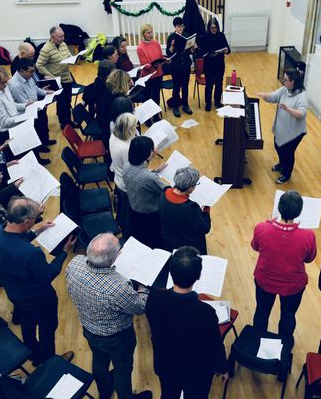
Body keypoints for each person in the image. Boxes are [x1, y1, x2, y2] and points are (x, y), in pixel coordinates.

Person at [0, 197, 76, 367]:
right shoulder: (29, 253)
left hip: (15, 294)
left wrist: (38, 230)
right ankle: (49, 363)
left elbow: (12, 241)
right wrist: (64, 252)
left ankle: (33, 353)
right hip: (39, 299)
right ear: (26, 221)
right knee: (47, 329)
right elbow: (47, 275)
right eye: (36, 218)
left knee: (27, 323)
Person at [66, 233, 152, 399]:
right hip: (117, 338)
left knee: (99, 360)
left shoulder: (74, 263)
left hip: (89, 328)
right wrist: (142, 286)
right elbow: (140, 307)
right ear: (115, 259)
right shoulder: (118, 287)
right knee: (122, 370)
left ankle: (104, 392)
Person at [146, 246, 228, 398]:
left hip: (166, 365)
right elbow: (214, 346)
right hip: (196, 373)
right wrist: (222, 368)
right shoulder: (206, 313)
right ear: (198, 277)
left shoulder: (154, 298)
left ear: (171, 272)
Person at [251, 190, 317, 338]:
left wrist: (269, 223)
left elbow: (255, 247)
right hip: (293, 286)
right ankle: (284, 344)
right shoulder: (308, 235)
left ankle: (257, 340)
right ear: (299, 212)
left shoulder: (262, 227)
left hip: (264, 281)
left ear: (279, 208)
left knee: (262, 311)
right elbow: (309, 259)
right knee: (288, 316)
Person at [257, 68, 307, 184]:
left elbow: (301, 114)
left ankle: (286, 174)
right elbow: (273, 97)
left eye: (285, 80)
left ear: (292, 82)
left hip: (295, 132)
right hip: (283, 127)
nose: (283, 82)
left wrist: (288, 109)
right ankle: (282, 163)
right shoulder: (285, 89)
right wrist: (264, 95)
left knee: (288, 152)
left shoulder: (302, 96)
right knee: (277, 145)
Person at [8, 58, 56, 164]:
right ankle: (37, 157)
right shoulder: (15, 85)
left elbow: (35, 89)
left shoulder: (28, 76)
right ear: (21, 71)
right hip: (28, 113)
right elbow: (25, 103)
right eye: (30, 71)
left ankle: (44, 142)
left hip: (37, 107)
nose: (33, 73)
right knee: (34, 134)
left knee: (42, 126)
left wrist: (45, 92)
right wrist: (37, 104)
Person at [122, 136, 166, 248]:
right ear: (148, 154)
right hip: (150, 217)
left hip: (133, 211)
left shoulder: (126, 165)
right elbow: (166, 192)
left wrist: (155, 171)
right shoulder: (149, 178)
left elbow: (140, 174)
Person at [160, 167, 210, 254]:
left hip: (167, 239)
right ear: (190, 188)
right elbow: (205, 228)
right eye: (195, 185)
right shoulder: (191, 208)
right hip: (186, 245)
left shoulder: (165, 191)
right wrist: (206, 210)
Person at [36, 26, 74, 129]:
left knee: (67, 101)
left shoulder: (63, 44)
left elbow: (68, 55)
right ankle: (64, 123)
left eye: (63, 36)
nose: (63, 39)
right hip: (57, 80)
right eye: (60, 37)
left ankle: (68, 121)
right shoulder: (46, 49)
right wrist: (50, 75)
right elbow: (39, 65)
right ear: (52, 37)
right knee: (62, 102)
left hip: (67, 77)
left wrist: (73, 58)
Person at [109, 113, 137, 238]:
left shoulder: (114, 136)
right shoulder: (125, 148)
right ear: (128, 129)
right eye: (134, 127)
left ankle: (119, 222)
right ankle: (126, 235)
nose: (136, 128)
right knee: (127, 213)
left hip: (118, 179)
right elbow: (133, 169)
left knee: (121, 208)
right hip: (125, 184)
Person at [0, 67, 25, 150]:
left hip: (16, 125)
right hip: (7, 133)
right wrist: (22, 118)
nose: (7, 84)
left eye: (7, 81)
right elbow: (3, 121)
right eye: (4, 82)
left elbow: (11, 105)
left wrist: (25, 106)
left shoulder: (3, 86)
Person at [166, 17, 195, 118]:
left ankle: (185, 105)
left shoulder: (186, 36)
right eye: (179, 26)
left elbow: (190, 52)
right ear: (175, 27)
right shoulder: (171, 37)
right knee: (176, 87)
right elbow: (168, 53)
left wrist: (193, 48)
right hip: (176, 66)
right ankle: (175, 107)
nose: (181, 28)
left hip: (186, 65)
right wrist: (172, 46)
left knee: (185, 86)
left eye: (182, 26)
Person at [201, 18, 231, 112]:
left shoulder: (221, 35)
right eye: (211, 28)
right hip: (209, 64)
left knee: (219, 83)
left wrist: (226, 50)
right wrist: (210, 54)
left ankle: (217, 101)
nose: (213, 29)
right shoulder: (205, 37)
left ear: (218, 27)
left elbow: (228, 48)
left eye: (215, 27)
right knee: (209, 84)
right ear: (209, 28)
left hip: (219, 64)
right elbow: (202, 52)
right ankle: (208, 103)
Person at [137, 24, 163, 108]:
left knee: (156, 95)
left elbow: (161, 56)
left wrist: (165, 60)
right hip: (148, 76)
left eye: (151, 32)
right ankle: (148, 117)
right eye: (148, 33)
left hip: (158, 73)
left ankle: (156, 115)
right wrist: (153, 65)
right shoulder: (140, 48)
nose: (151, 34)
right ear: (143, 34)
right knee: (148, 97)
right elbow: (144, 65)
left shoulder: (156, 43)